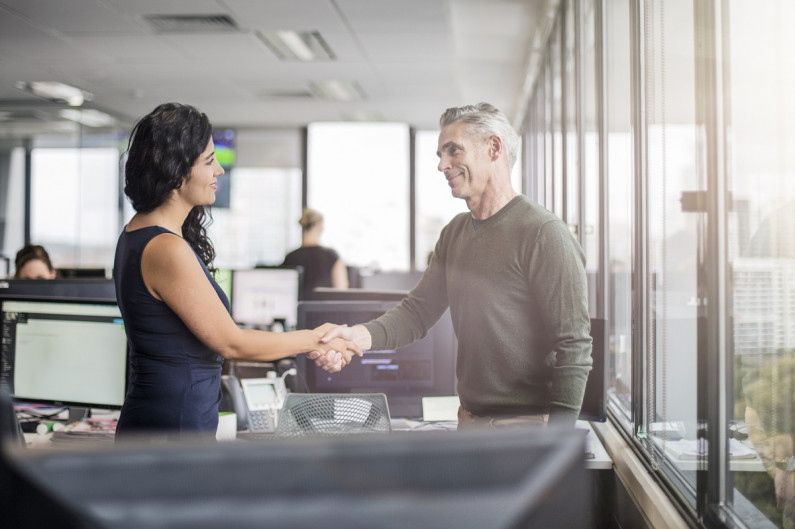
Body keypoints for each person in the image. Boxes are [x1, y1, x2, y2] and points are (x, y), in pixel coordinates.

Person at [316, 102, 592, 427]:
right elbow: (416, 313)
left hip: (526, 429)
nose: (442, 165)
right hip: (470, 422)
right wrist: (354, 337)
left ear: (493, 148)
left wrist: (556, 442)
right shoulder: (455, 233)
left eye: (453, 151)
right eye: (439, 155)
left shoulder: (543, 233)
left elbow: (574, 346)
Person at [114, 102, 360, 441]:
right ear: (175, 170)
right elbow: (232, 344)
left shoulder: (139, 234)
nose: (220, 172)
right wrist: (315, 338)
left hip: (165, 418)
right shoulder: (165, 248)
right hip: (172, 427)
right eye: (209, 161)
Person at [282, 207, 349, 297]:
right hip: (323, 310)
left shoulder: (290, 257)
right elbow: (341, 290)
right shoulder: (332, 255)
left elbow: (284, 291)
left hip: (297, 310)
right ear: (319, 225)